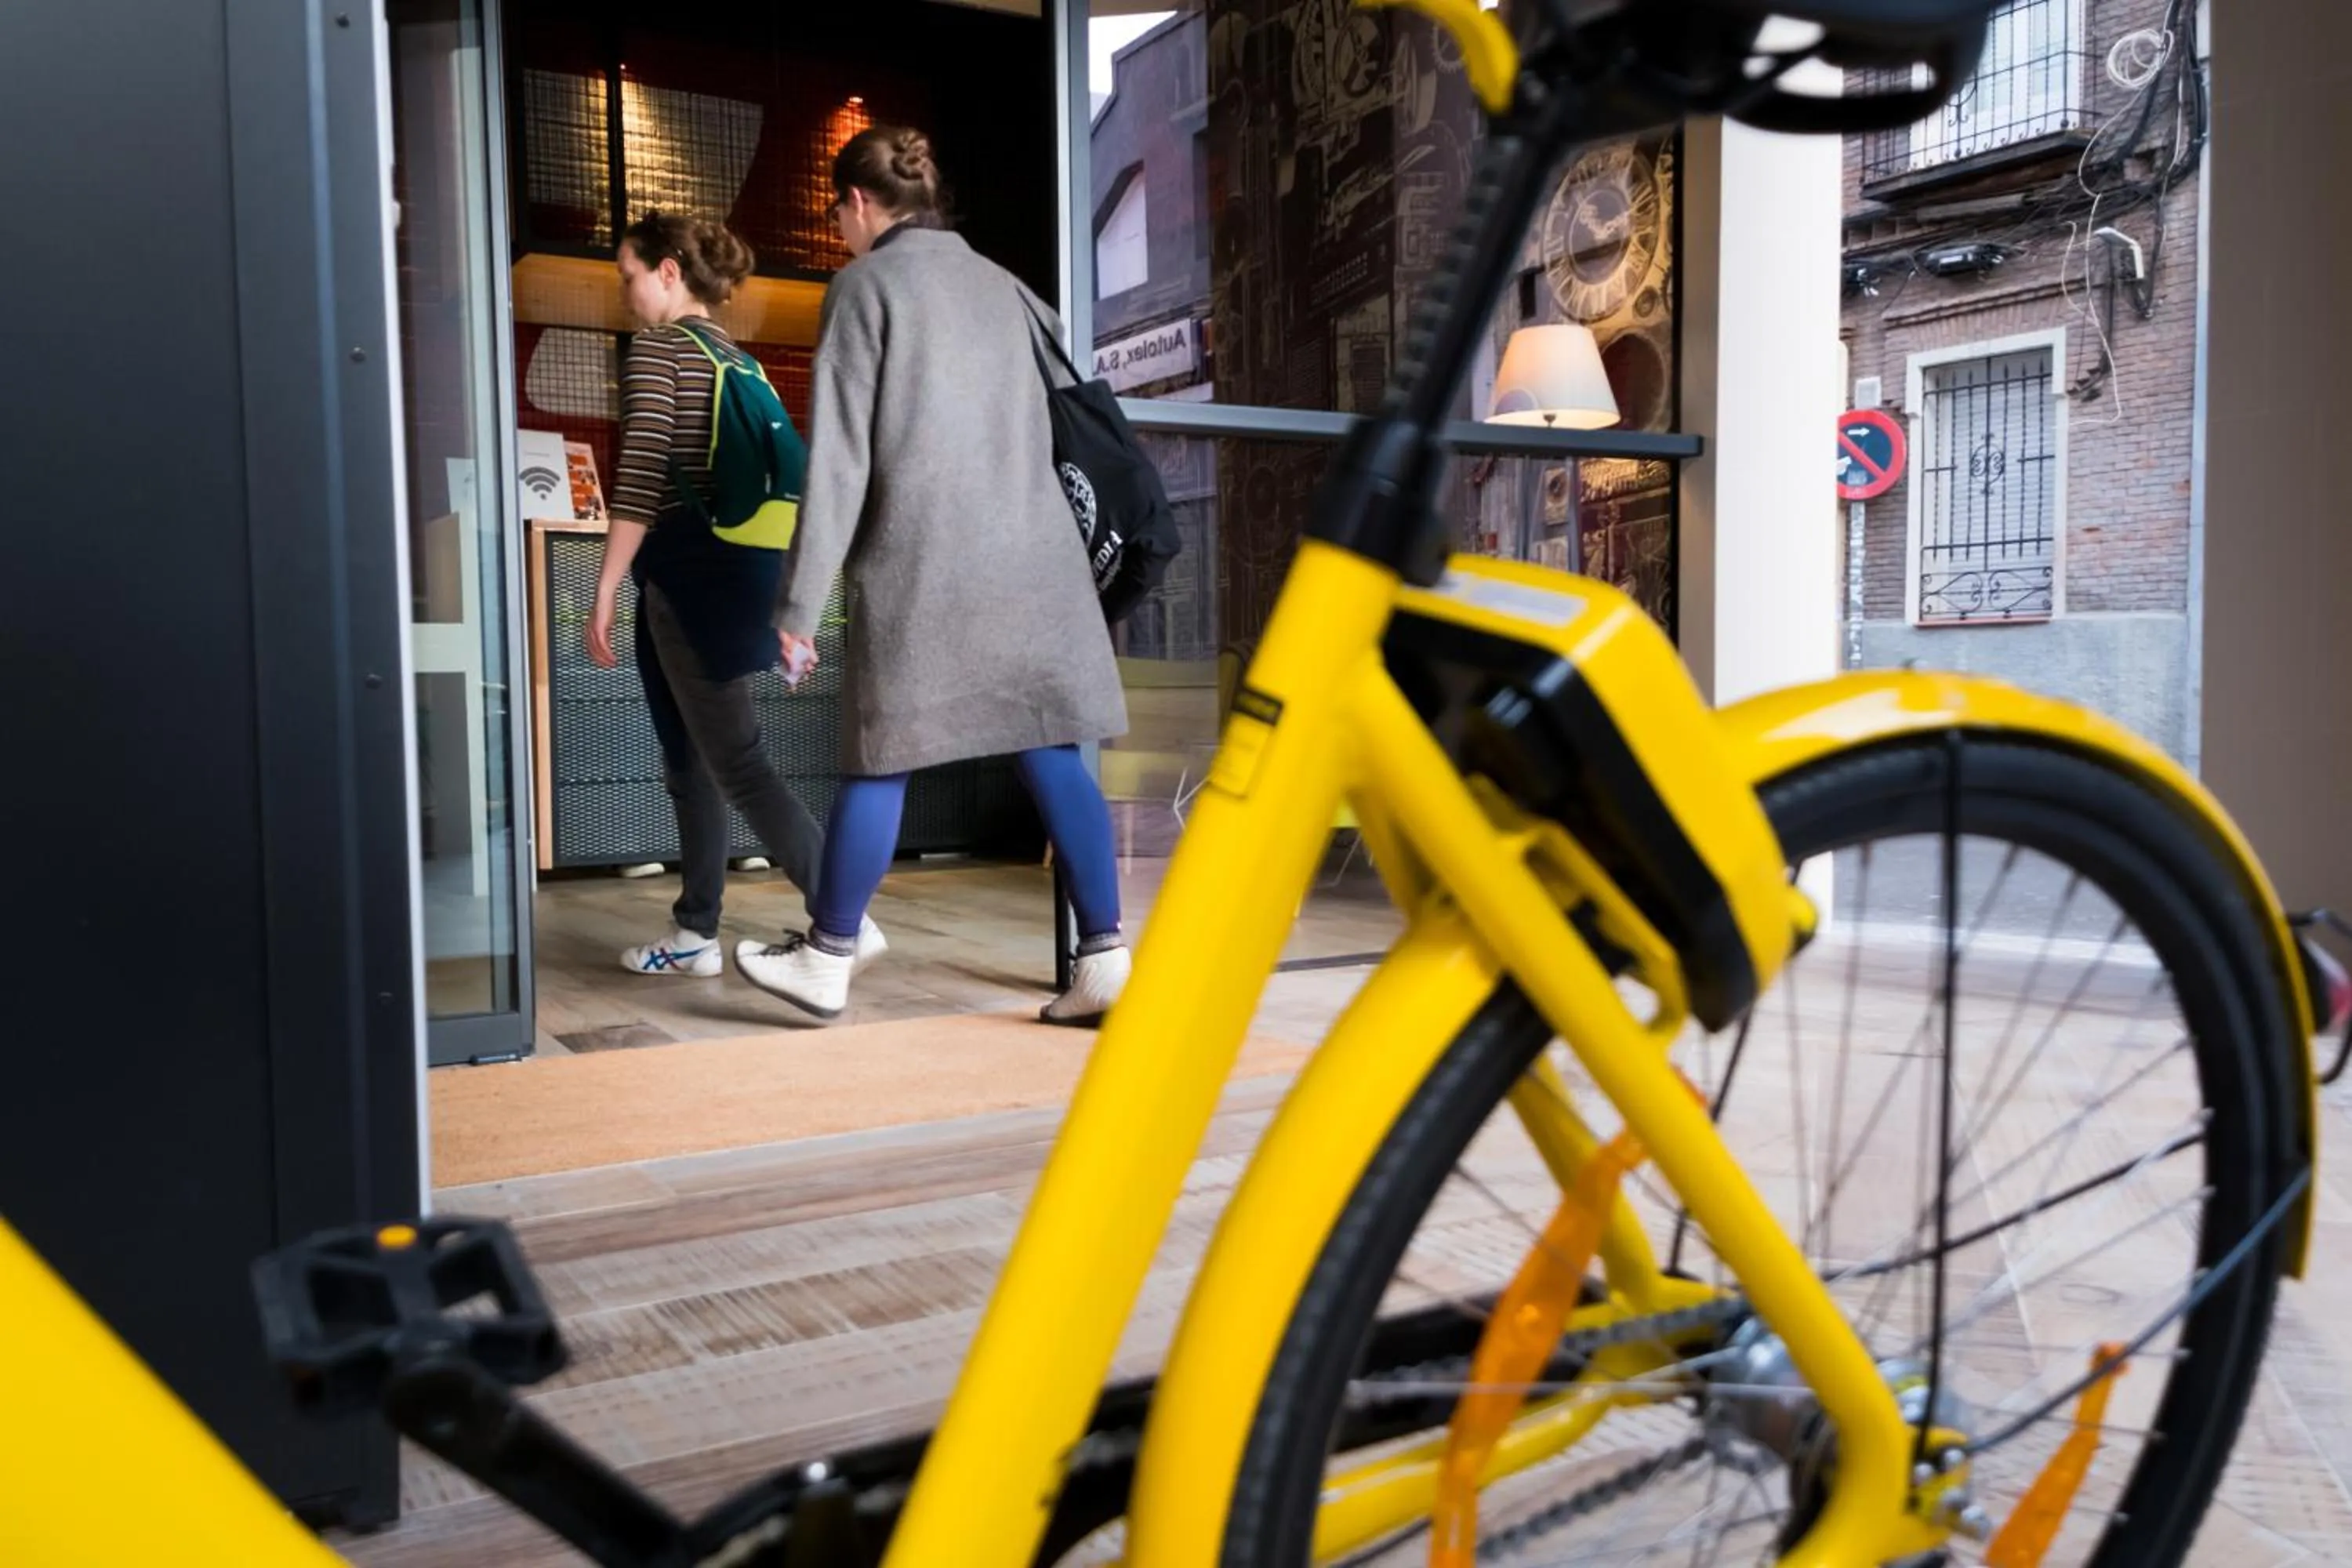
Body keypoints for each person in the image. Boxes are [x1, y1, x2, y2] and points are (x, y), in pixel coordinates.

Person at [735, 127, 1131, 1025]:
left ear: (860, 205)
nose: (839, 230)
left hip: (927, 565)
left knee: (882, 753)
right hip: (1036, 562)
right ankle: (1104, 955)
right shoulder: (1009, 289)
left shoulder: (865, 287)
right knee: (1052, 745)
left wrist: (799, 602)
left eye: (837, 214)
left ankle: (830, 955)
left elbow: (837, 460)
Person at [590, 211, 882, 980]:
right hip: (738, 572)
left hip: (689, 573)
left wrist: (604, 586)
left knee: (739, 761)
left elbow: (641, 476)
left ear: (669, 272)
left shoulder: (658, 352)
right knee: (689, 756)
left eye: (628, 275)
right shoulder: (740, 361)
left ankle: (842, 911)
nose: (625, 293)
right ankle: (694, 930)